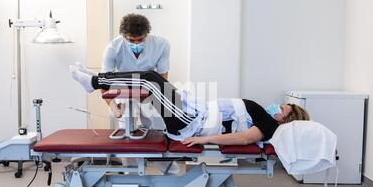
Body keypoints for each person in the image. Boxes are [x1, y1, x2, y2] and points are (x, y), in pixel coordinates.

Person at [70, 67, 310, 146]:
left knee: (151, 81)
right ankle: (94, 81)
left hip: (191, 126)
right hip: (193, 115)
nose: (276, 106)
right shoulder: (267, 118)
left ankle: (93, 82)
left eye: (283, 108)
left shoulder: (268, 125)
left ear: (284, 120)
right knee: (151, 79)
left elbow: (246, 139)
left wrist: (203, 141)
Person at [101, 13, 170, 123]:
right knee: (126, 126)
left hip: (149, 88)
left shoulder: (161, 44)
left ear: (146, 34)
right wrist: (113, 107)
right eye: (131, 40)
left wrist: (160, 101)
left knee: (154, 126)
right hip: (124, 89)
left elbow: (163, 78)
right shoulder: (113, 47)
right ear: (124, 36)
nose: (136, 44)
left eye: (140, 39)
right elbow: (103, 81)